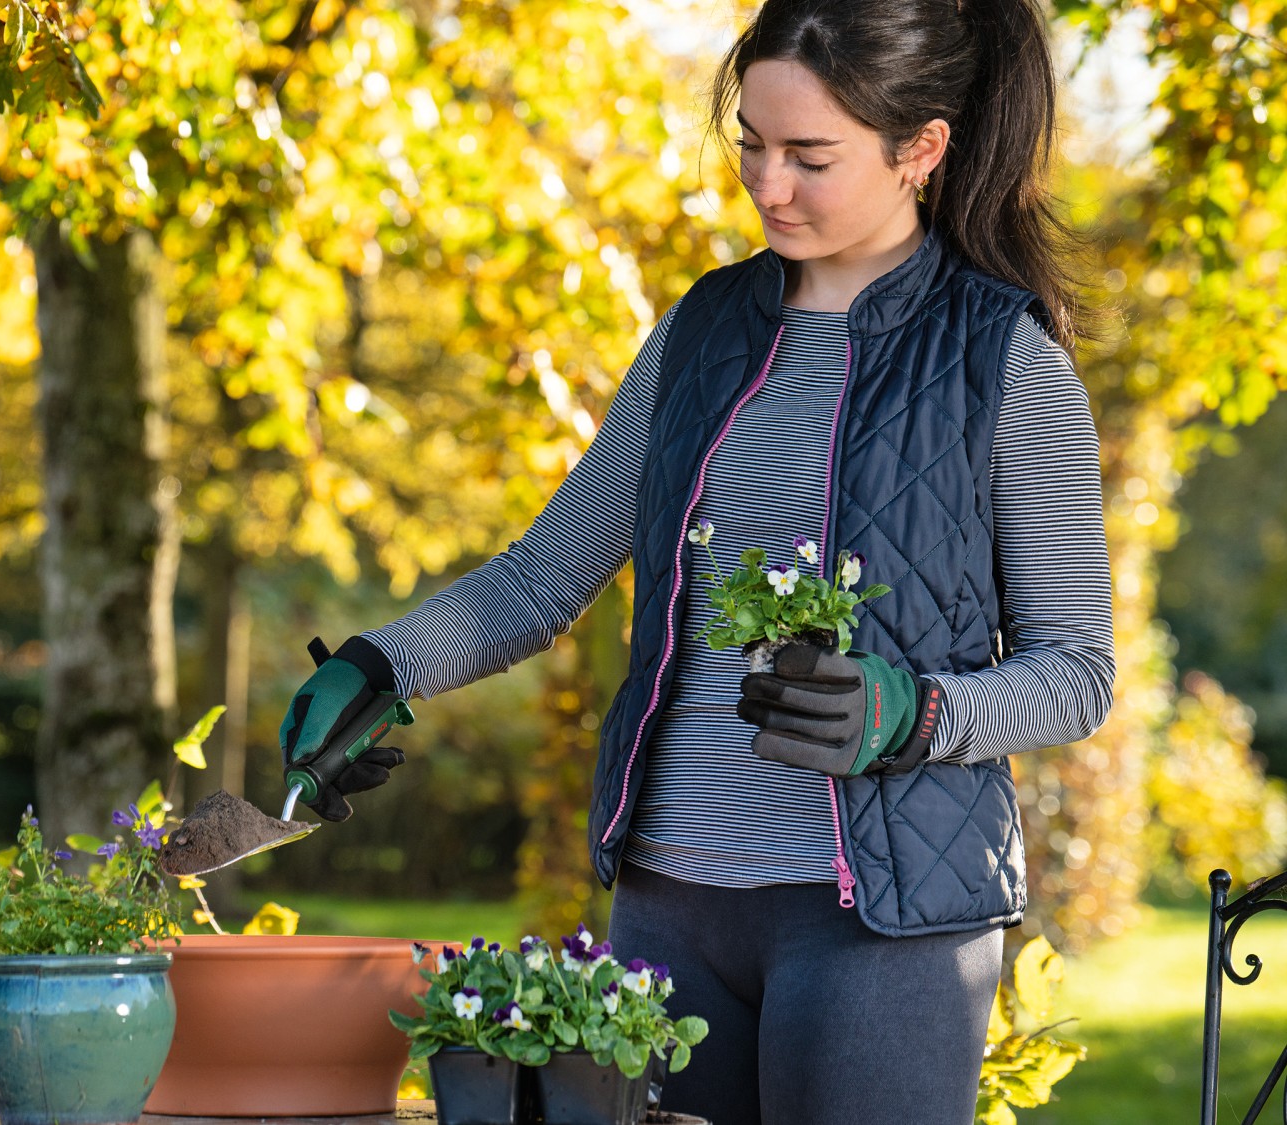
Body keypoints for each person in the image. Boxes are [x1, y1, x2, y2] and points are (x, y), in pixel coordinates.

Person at [275, 0, 1118, 1121]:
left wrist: (914, 714)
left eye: (809, 158)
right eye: (751, 146)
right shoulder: (700, 331)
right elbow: (540, 579)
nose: (768, 186)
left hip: (881, 919)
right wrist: (380, 666)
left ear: (919, 149)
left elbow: (1076, 672)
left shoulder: (1001, 361)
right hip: (668, 911)